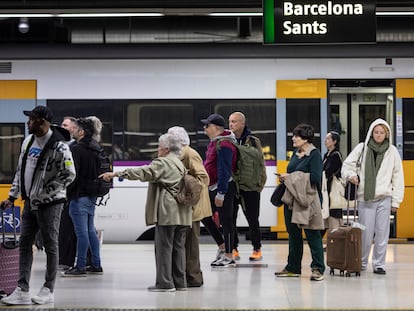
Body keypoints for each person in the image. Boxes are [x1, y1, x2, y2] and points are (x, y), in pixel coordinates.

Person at [0, 106, 76, 305]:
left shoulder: (60, 147)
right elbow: (20, 170)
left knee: (51, 245)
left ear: (43, 122)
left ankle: (48, 289)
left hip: (51, 204)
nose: (28, 122)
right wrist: (12, 195)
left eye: (32, 119)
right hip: (29, 203)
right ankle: (22, 289)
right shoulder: (28, 142)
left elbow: (69, 175)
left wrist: (44, 193)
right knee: (25, 243)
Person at [100, 133, 192, 292]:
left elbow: (143, 172)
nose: (157, 149)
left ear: (166, 148)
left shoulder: (163, 163)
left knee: (164, 248)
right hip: (183, 212)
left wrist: (117, 173)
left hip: (168, 212)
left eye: (159, 146)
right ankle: (180, 282)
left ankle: (165, 283)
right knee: (179, 248)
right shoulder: (179, 162)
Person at [342, 118, 404, 275]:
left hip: (385, 197)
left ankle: (379, 264)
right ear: (371, 132)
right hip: (365, 197)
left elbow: (398, 177)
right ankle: (361, 262)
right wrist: (351, 175)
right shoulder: (362, 148)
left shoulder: (392, 152)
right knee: (365, 233)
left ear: (387, 134)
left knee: (382, 232)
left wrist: (396, 201)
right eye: (376, 132)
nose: (378, 135)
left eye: (382, 132)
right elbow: (347, 165)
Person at [275, 123, 325, 281]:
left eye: (296, 136)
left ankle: (318, 269)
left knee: (312, 234)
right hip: (292, 199)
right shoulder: (296, 153)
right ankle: (293, 267)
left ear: (305, 138)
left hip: (308, 200)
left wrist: (290, 177)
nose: (293, 138)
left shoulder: (315, 154)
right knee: (293, 235)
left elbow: (316, 178)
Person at [168, 126, 212, 287]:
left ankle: (194, 277)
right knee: (185, 242)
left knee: (191, 244)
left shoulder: (189, 154)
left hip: (192, 207)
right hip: (187, 206)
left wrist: (188, 190)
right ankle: (186, 276)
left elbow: (203, 178)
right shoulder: (179, 153)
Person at [62, 117, 104, 277]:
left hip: (78, 196)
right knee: (90, 230)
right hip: (92, 196)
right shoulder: (96, 148)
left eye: (76, 129)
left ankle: (80, 266)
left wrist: (67, 192)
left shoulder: (77, 150)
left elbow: (72, 175)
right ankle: (96, 264)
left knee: (81, 233)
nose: (73, 131)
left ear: (82, 132)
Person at [228, 112, 267, 261]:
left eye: (234, 122)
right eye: (230, 121)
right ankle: (233, 248)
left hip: (250, 187)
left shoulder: (253, 141)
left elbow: (260, 163)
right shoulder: (227, 140)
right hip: (233, 186)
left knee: (252, 219)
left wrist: (260, 184)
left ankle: (257, 248)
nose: (231, 124)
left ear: (242, 123)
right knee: (230, 218)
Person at [201, 113, 238, 267]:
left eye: (207, 126)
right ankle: (223, 247)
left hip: (224, 187)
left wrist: (221, 193)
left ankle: (229, 256)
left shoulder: (225, 145)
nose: (204, 129)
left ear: (216, 127)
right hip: (213, 186)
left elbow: (225, 170)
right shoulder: (215, 142)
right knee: (204, 215)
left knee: (227, 221)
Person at [58, 116, 78, 270]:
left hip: (68, 194)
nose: (62, 127)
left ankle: (66, 260)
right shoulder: (62, 145)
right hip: (69, 193)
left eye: (65, 125)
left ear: (73, 128)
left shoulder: (73, 148)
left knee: (69, 229)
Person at [322, 131, 344, 230]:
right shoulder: (327, 154)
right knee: (327, 214)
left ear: (334, 141)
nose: (325, 141)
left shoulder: (336, 155)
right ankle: (332, 242)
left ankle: (336, 241)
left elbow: (328, 171)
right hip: (326, 189)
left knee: (334, 214)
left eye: (328, 139)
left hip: (333, 190)